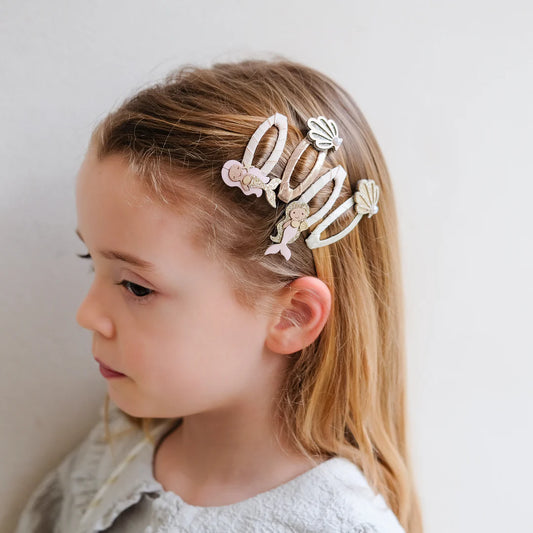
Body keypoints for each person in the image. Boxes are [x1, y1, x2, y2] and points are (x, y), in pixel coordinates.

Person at [14, 58, 423, 533]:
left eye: (136, 286)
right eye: (92, 261)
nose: (87, 315)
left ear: (291, 316)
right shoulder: (112, 455)